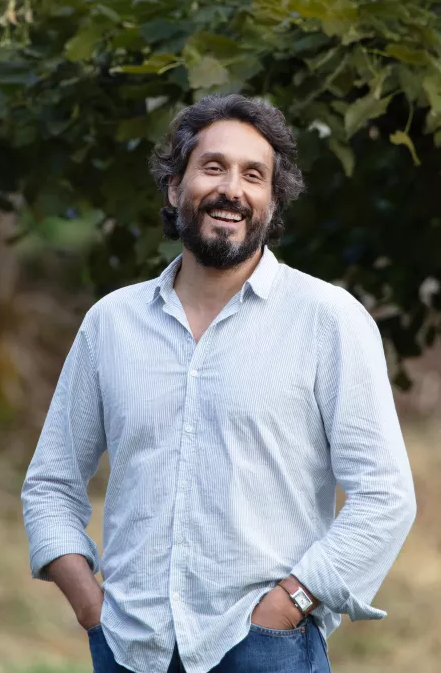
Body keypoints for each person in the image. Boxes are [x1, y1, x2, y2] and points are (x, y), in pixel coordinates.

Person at [21, 94, 416, 673]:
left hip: (265, 646)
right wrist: (90, 606)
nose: (232, 189)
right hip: (129, 646)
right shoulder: (111, 323)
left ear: (272, 200)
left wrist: (289, 605)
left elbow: (385, 496)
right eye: (213, 167)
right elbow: (50, 485)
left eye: (254, 175)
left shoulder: (327, 320)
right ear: (173, 187)